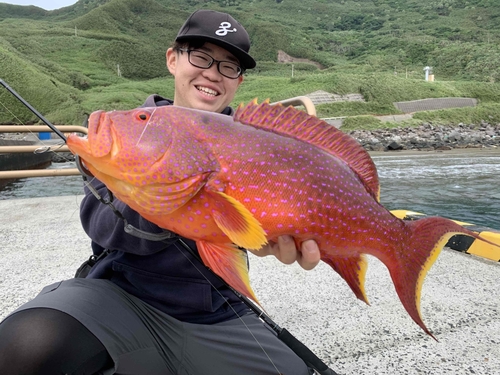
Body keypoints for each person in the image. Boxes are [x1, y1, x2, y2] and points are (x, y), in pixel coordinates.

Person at [0, 10, 322, 375]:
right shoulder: (131, 130)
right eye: (201, 56)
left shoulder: (251, 143)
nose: (213, 73)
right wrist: (170, 198)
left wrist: (275, 233)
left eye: (229, 66)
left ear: (239, 81)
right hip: (121, 296)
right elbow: (99, 221)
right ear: (173, 59)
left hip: (216, 312)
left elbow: (253, 227)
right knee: (27, 345)